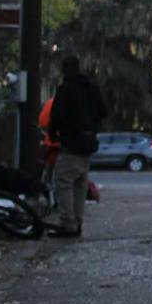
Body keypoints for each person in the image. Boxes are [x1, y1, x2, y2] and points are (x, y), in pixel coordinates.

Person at [46, 55, 106, 238]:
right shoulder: (91, 88)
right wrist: (91, 126)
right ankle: (77, 221)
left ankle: (68, 223)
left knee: (63, 182)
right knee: (80, 184)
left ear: (64, 69)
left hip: (71, 143)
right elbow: (103, 111)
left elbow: (56, 116)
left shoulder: (66, 89)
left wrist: (53, 133)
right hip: (88, 143)